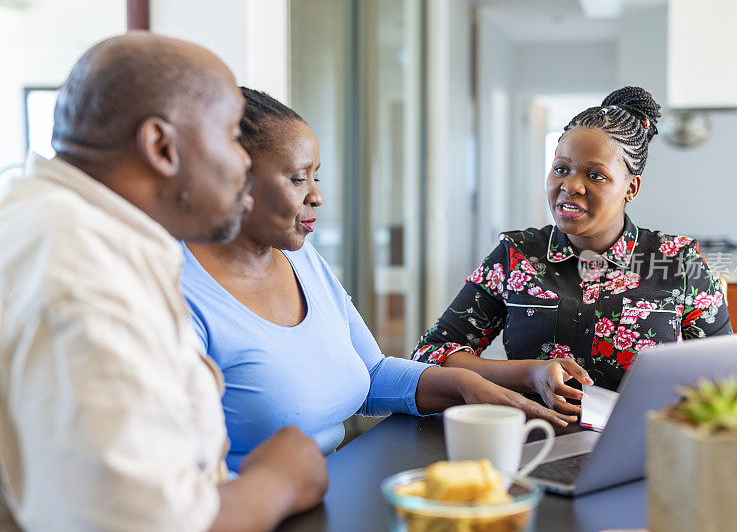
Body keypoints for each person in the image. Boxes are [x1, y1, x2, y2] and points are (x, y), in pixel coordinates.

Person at [0, 33, 326, 532]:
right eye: (230, 135)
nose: (244, 162)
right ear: (161, 146)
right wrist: (278, 480)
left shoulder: (56, 224)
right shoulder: (84, 276)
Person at [180, 88, 589, 471]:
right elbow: (177, 485)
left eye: (315, 178)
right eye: (297, 178)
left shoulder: (302, 261)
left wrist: (467, 383)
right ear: (234, 176)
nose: (317, 196)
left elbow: (371, 373)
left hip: (328, 492)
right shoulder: (176, 294)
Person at [412, 87, 732, 399]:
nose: (571, 186)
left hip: (645, 441)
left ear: (631, 188)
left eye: (595, 175)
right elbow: (430, 354)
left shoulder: (678, 260)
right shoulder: (516, 256)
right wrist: (527, 373)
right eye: (561, 169)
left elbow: (727, 380)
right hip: (537, 439)